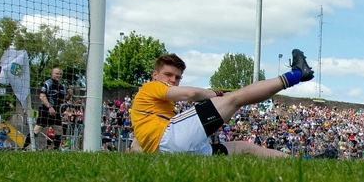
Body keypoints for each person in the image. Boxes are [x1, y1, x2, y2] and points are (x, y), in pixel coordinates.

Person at [130, 48, 326, 157]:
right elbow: (190, 93)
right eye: (168, 75)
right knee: (234, 98)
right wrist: (216, 93)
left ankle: (303, 161)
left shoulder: (146, 110)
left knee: (243, 148)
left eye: (177, 77)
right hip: (172, 140)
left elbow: (138, 143)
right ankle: (297, 74)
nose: (172, 80)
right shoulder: (150, 87)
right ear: (155, 75)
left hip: (171, 151)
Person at [23, 67, 71, 150]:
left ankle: (56, 150)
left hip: (56, 111)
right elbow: (42, 96)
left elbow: (63, 99)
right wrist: (49, 107)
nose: (58, 75)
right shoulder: (47, 83)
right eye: (57, 73)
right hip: (46, 110)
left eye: (60, 74)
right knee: (37, 130)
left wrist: (69, 95)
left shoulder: (61, 86)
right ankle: (23, 148)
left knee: (59, 130)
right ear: (52, 74)